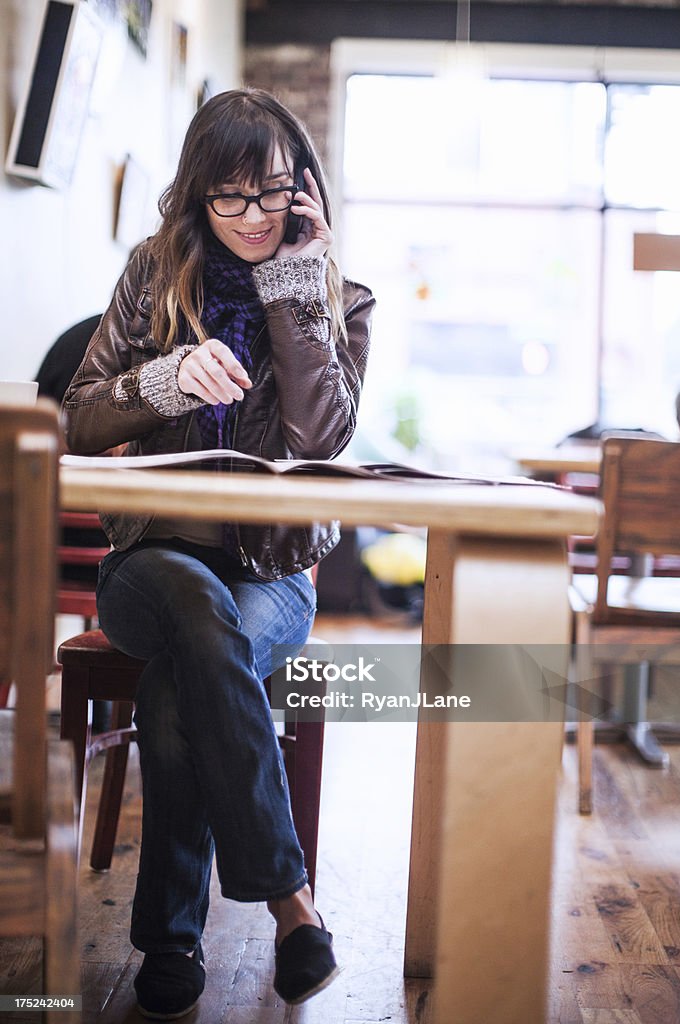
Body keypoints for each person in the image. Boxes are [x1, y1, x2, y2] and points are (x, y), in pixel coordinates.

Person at [62, 88, 374, 1018]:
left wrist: (295, 282)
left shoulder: (341, 299)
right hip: (150, 559)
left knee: (178, 682)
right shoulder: (152, 275)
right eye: (227, 199)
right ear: (197, 195)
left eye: (271, 195)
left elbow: (323, 435)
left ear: (305, 191)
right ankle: (290, 902)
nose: (249, 218)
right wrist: (157, 381)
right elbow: (79, 414)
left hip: (273, 575)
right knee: (195, 613)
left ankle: (168, 942)